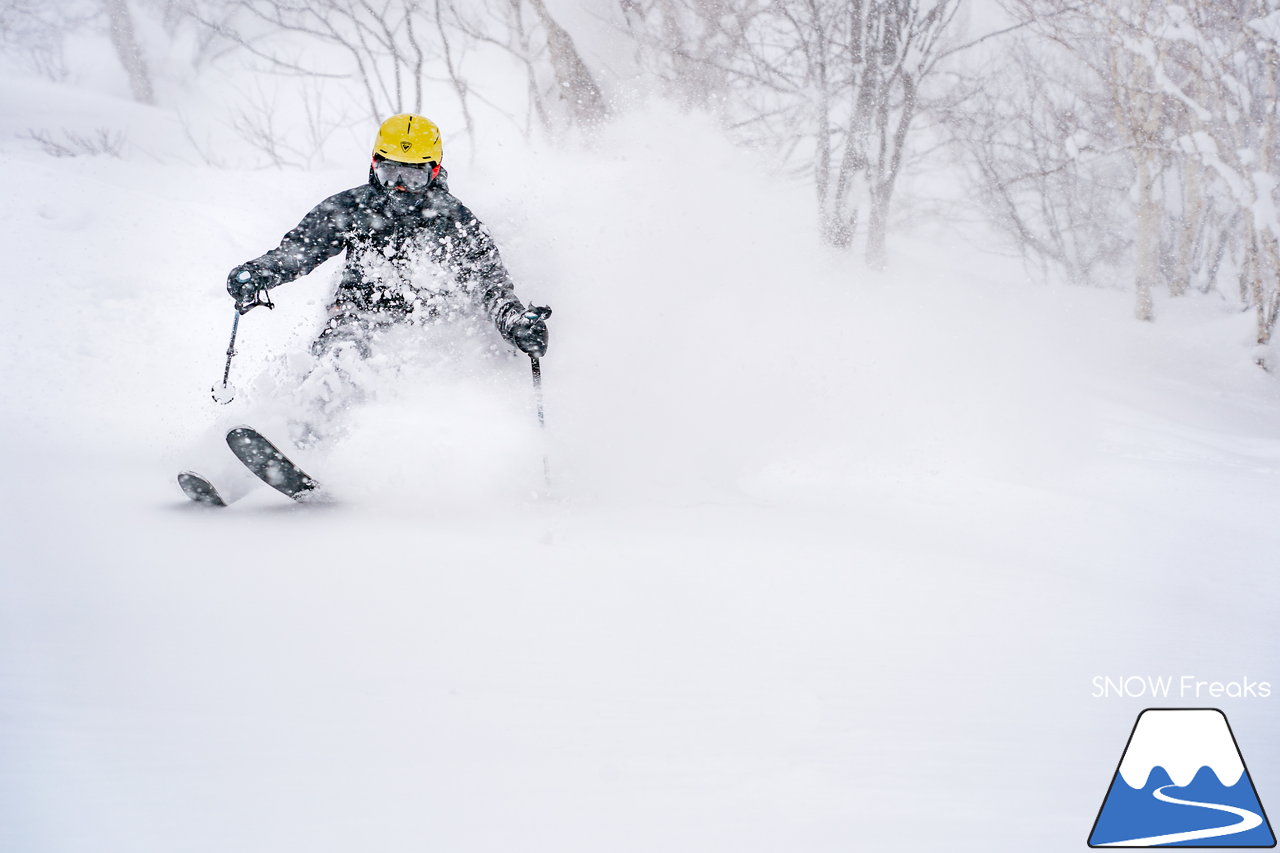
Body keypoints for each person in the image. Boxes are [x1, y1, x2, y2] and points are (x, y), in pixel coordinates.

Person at [225, 113, 551, 445]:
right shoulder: (355, 207)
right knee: (340, 358)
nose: (398, 186)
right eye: (389, 171)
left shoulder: (454, 221)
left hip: (424, 333)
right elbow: (301, 249)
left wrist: (514, 323)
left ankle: (374, 456)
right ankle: (301, 443)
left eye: (412, 176)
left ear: (433, 172)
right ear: (374, 164)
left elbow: (491, 284)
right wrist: (261, 272)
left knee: (403, 383)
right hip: (356, 316)